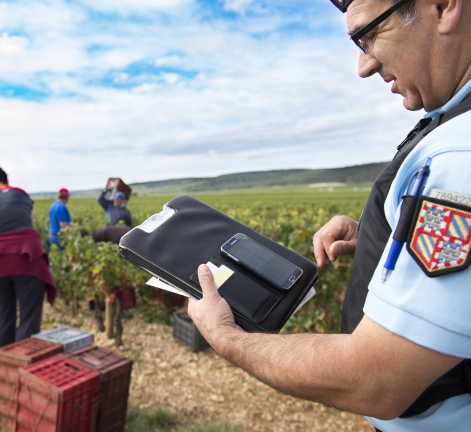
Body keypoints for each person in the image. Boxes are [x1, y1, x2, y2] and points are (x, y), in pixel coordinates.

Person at [188, 1, 471, 431]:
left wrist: (229, 339)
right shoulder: (452, 121)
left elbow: (377, 380)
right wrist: (390, 237)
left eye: (370, 35)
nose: (364, 65)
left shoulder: (458, 154)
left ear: (443, 7)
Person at [0, 166, 56, 353]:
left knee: (1, 317)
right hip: (29, 258)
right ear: (7, 182)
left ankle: (1, 374)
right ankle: (22, 368)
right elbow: (29, 225)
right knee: (29, 318)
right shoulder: (22, 195)